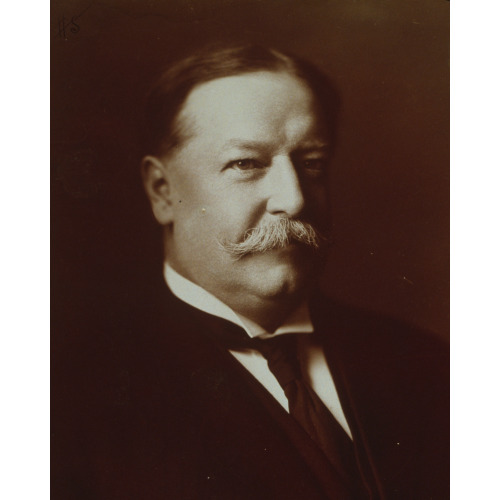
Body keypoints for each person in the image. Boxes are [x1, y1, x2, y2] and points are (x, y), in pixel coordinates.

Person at [52, 44, 448, 499]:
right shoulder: (68, 400)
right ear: (162, 191)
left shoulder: (426, 366)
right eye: (246, 164)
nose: (294, 199)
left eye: (312, 163)